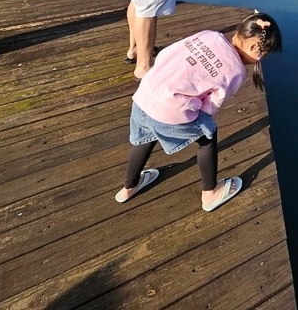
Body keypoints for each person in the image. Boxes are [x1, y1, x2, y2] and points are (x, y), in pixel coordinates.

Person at [115, 11, 284, 211]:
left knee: (146, 137)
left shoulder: (209, 35)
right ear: (254, 46)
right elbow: (211, 106)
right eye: (262, 55)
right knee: (207, 136)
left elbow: (168, 53)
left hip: (145, 94)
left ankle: (129, 187)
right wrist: (194, 112)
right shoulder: (236, 70)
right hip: (169, 110)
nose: (260, 60)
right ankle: (210, 193)